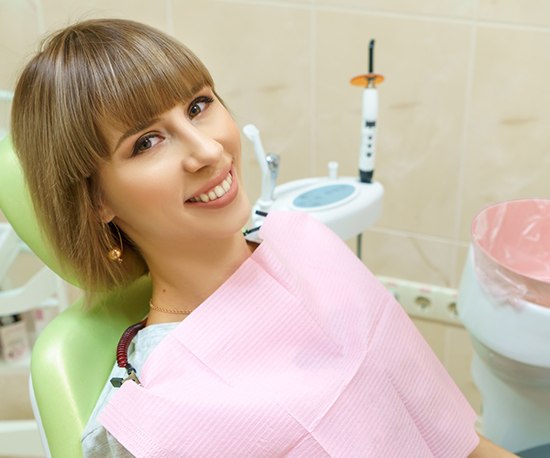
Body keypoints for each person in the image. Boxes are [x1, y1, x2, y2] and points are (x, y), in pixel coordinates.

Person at [11, 18, 516, 458]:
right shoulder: (154, 414)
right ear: (97, 201)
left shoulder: (303, 244)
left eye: (198, 105)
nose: (208, 149)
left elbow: (454, 438)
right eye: (146, 142)